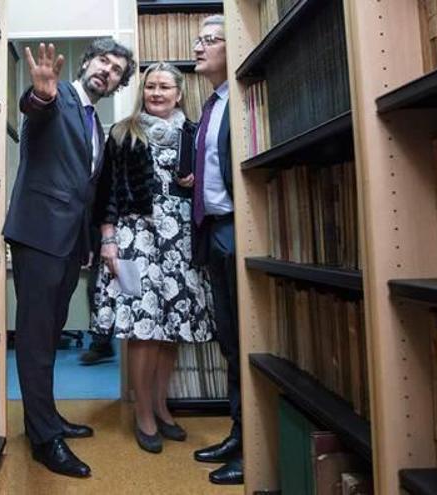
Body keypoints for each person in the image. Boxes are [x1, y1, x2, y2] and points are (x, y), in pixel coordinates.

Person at [3, 38, 135, 478]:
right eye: (103, 61)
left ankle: (45, 418)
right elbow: (34, 109)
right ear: (86, 62)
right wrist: (40, 93)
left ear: (118, 83)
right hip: (38, 235)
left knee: (50, 336)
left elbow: (86, 189)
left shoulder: (94, 122)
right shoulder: (56, 100)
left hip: (66, 242)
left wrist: (86, 244)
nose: (107, 71)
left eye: (117, 70)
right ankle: (44, 440)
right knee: (37, 339)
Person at [90, 63, 216, 454]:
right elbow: (107, 192)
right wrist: (108, 240)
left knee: (171, 331)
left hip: (180, 241)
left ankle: (162, 406)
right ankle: (143, 412)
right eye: (150, 87)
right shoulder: (123, 133)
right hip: (135, 240)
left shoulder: (194, 135)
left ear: (179, 94)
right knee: (143, 331)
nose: (156, 93)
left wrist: (198, 181)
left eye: (164, 87)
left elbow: (211, 183)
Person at [183, 14, 244, 485]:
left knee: (244, 338)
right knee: (230, 338)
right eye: (199, 40)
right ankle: (239, 434)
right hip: (215, 231)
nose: (199, 48)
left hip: (239, 229)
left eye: (209, 40)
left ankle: (249, 443)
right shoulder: (212, 104)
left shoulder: (243, 99)